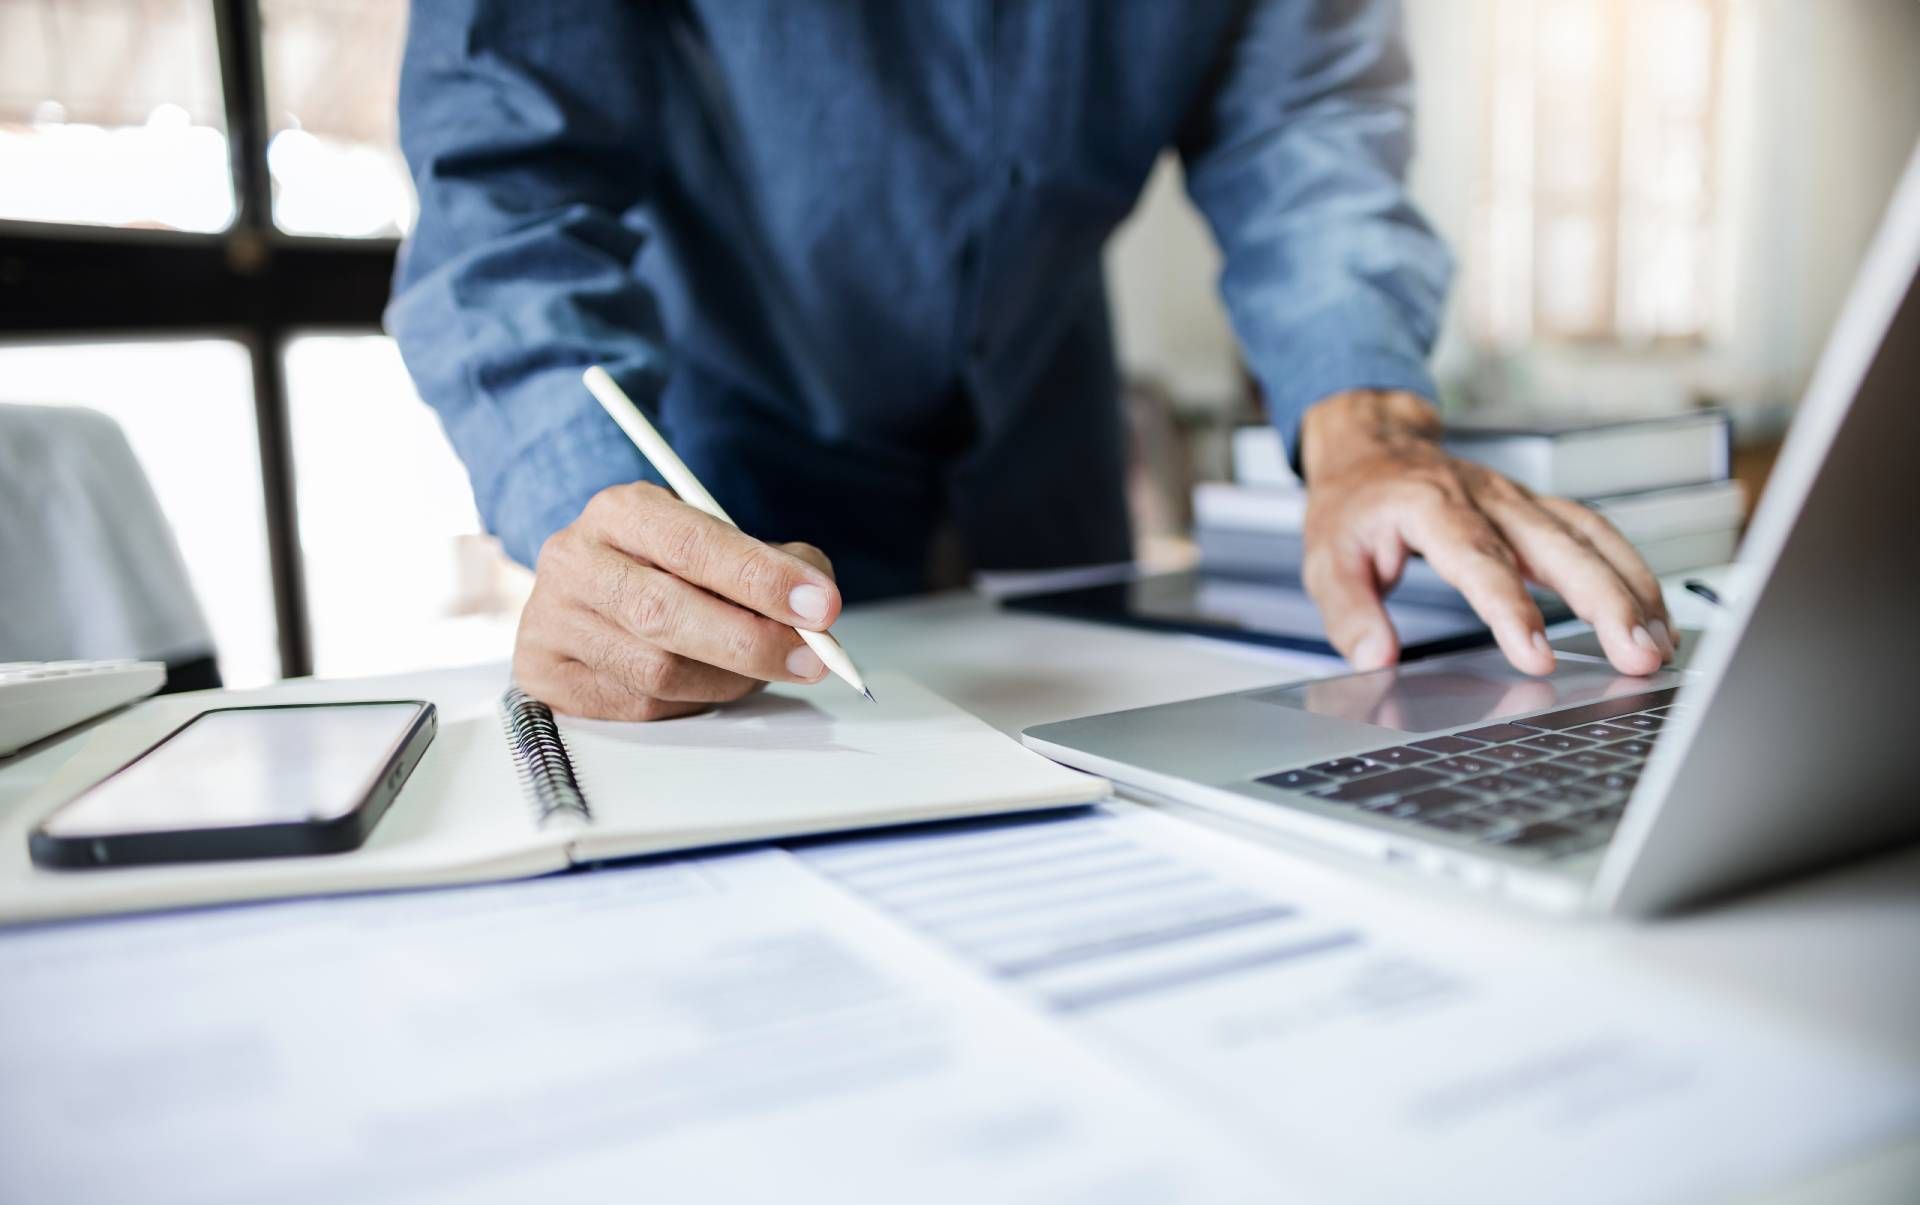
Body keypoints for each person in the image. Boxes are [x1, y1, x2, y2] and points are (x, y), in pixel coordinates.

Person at [388, 1, 1675, 722]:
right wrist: (588, 503)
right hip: (724, 474)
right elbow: (505, 190)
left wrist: (1366, 429)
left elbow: (1305, 125)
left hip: (1046, 450)